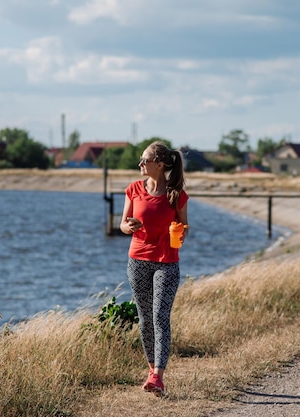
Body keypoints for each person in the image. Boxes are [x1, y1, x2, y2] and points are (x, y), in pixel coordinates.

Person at [120, 141, 189, 397]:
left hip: (167, 263)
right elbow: (122, 225)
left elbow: (184, 227)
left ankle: (158, 376)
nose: (140, 164)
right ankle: (151, 371)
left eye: (144, 160)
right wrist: (130, 227)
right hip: (137, 260)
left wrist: (179, 234)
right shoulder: (134, 189)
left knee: (160, 316)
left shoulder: (176, 194)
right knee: (145, 318)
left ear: (159, 164)